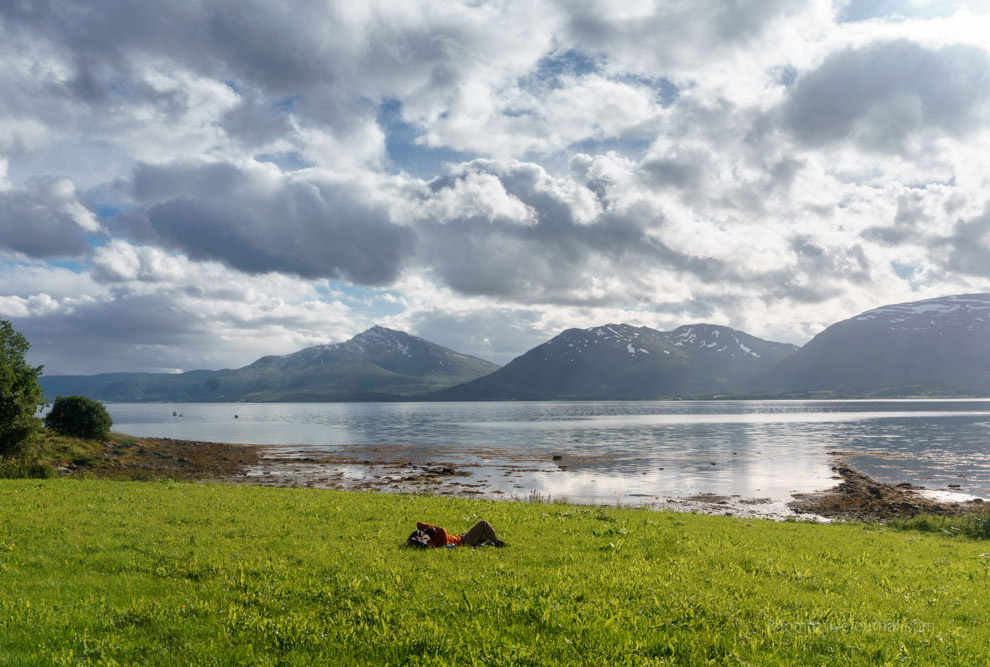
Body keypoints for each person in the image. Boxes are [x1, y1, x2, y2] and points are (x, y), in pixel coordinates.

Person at [410, 520, 504, 548]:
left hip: (460, 536)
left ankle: (487, 541)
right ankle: (496, 542)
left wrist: (427, 529)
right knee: (483, 524)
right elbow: (442, 530)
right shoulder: (441, 537)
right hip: (464, 541)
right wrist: (433, 527)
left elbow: (419, 524)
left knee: (483, 535)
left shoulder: (433, 538)